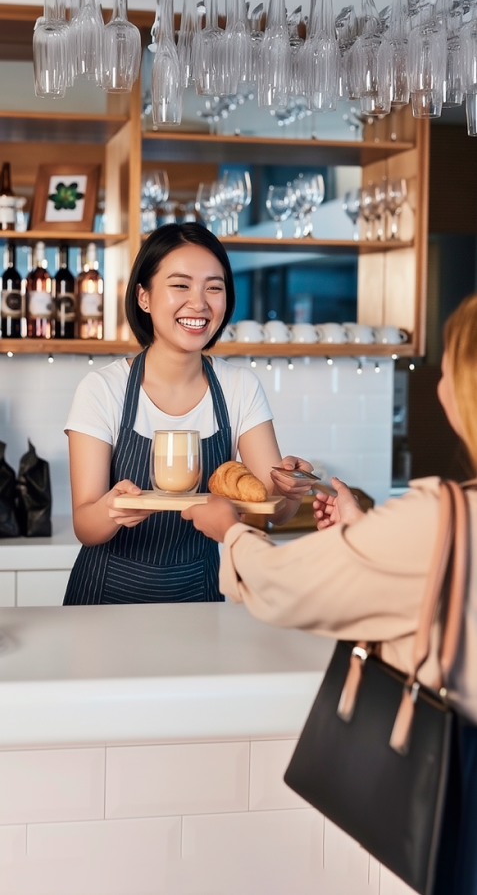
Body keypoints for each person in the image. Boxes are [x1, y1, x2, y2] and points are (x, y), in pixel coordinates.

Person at [183, 293, 477, 893]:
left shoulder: (443, 518)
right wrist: (363, 534)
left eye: (448, 365)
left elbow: (284, 588)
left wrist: (230, 532)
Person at [63, 223, 313, 605]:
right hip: (105, 596)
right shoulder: (103, 390)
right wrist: (113, 509)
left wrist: (290, 489)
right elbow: (85, 524)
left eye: (214, 288)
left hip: (201, 594)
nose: (199, 303)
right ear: (143, 297)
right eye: (180, 285)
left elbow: (271, 508)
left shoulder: (239, 388)